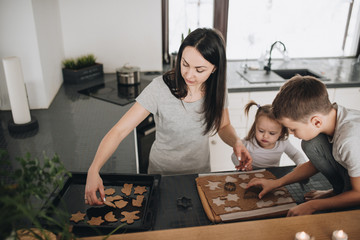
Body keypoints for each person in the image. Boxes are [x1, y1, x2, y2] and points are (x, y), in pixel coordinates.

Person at [85, 28, 252, 205]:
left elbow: (223, 126)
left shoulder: (217, 89)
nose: (189, 74)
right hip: (161, 176)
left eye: (199, 69)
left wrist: (236, 142)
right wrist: (94, 169)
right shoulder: (159, 88)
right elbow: (119, 130)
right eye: (185, 64)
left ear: (214, 68)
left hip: (199, 176)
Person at [246, 75, 360, 216]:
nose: (291, 133)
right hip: (355, 182)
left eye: (293, 129)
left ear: (316, 122)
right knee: (312, 143)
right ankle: (339, 192)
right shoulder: (332, 115)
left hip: (358, 192)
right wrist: (275, 183)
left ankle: (341, 195)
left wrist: (313, 205)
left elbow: (358, 194)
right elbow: (314, 164)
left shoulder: (350, 140)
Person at [231, 100, 306, 169]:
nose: (265, 136)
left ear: (281, 132)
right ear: (255, 127)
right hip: (250, 175)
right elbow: (234, 156)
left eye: (272, 133)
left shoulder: (283, 143)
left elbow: (295, 154)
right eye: (261, 131)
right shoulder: (247, 143)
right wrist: (243, 165)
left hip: (272, 178)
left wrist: (301, 164)